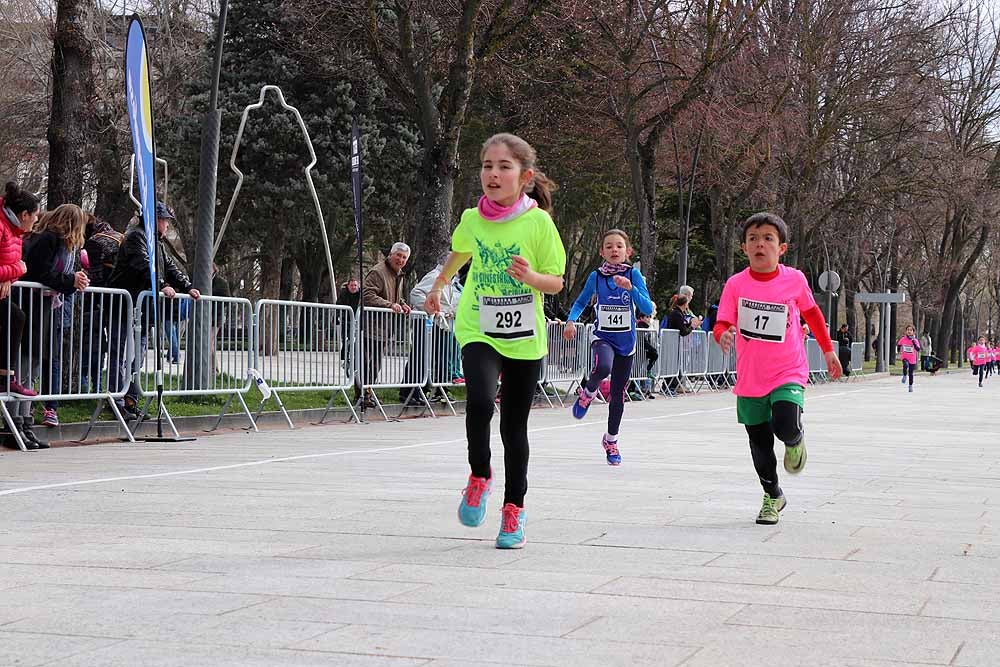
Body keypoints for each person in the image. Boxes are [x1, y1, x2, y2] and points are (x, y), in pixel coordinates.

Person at [424, 132, 565, 549]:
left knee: (513, 427)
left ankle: (513, 511)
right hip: (478, 327)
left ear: (525, 177)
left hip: (523, 337)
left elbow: (556, 282)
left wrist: (531, 277)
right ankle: (479, 475)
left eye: (504, 167)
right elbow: (461, 252)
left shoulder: (538, 223)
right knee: (481, 402)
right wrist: (440, 285)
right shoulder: (472, 218)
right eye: (488, 166)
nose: (494, 174)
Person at [715, 212, 842, 526]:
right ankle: (772, 495)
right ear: (744, 248)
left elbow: (813, 315)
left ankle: (795, 439)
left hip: (788, 370)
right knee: (759, 442)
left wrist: (828, 351)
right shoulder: (735, 284)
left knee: (785, 424)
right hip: (751, 375)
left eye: (768, 238)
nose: (760, 244)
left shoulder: (794, 279)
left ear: (781, 248)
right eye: (753, 239)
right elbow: (722, 322)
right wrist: (723, 334)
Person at [563, 229, 653, 466]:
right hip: (602, 336)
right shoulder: (596, 276)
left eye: (619, 246)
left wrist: (630, 289)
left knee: (617, 395)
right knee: (603, 366)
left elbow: (648, 308)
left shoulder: (634, 275)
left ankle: (610, 440)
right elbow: (581, 301)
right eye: (609, 246)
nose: (614, 250)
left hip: (626, 343)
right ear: (602, 252)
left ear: (628, 251)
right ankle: (588, 392)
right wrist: (570, 321)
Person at [108, 201, 200, 419]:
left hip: (142, 309)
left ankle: (131, 399)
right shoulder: (136, 237)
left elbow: (169, 266)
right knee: (120, 354)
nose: (167, 225)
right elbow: (143, 265)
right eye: (165, 220)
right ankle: (116, 400)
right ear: (156, 220)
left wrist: (187, 285)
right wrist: (161, 285)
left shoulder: (156, 242)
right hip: (125, 306)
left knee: (137, 356)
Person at [19, 203, 90, 440]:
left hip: (46, 307)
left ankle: (25, 420)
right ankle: (17, 421)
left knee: (34, 364)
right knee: (26, 363)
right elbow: (41, 273)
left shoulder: (61, 244)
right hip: (32, 305)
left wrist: (74, 281)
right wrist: (70, 281)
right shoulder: (48, 239)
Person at [0, 183, 40, 450]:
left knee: (16, 316)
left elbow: (11, 266)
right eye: (35, 215)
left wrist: (10, 275)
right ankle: (5, 375)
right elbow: (17, 265)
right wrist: (16, 270)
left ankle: (6, 376)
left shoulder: (15, 231)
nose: (36, 220)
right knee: (15, 317)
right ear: (24, 214)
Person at [356, 242, 411, 408]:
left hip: (384, 328)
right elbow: (367, 294)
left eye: (404, 257)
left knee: (376, 364)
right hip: (370, 325)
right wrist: (389, 305)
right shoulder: (378, 272)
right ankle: (361, 395)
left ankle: (367, 393)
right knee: (366, 362)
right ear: (391, 254)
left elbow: (394, 296)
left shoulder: (398, 274)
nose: (401, 260)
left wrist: (402, 304)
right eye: (398, 255)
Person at [405, 255, 464, 405]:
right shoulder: (434, 276)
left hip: (442, 324)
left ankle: (435, 390)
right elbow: (415, 294)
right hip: (428, 323)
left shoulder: (450, 280)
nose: (458, 267)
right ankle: (410, 391)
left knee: (438, 358)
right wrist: (432, 311)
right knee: (421, 356)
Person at [81, 214, 123, 393]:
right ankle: (101, 385)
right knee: (110, 345)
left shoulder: (94, 242)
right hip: (118, 300)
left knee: (92, 341)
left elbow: (95, 275)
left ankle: (88, 383)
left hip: (97, 300)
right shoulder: (119, 237)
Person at [337, 277, 360, 365]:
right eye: (351, 285)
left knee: (356, 339)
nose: (353, 287)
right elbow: (338, 305)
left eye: (355, 285)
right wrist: (337, 317)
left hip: (357, 319)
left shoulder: (361, 294)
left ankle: (355, 356)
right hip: (346, 319)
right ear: (348, 286)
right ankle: (345, 356)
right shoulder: (344, 293)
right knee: (346, 338)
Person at [895, 324, 920, 392]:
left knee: (911, 373)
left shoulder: (915, 340)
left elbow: (918, 349)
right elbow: (899, 345)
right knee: (905, 365)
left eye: (911, 330)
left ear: (913, 332)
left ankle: (910, 386)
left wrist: (913, 342)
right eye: (908, 330)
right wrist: (899, 350)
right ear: (906, 331)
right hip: (905, 357)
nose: (909, 331)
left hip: (912, 358)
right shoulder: (903, 339)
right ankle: (905, 375)